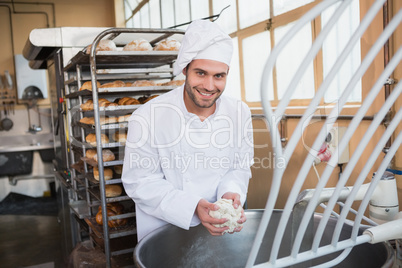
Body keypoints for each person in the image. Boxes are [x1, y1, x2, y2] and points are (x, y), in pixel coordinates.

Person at [121, 19, 254, 242]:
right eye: (201, 73)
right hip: (166, 230)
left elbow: (239, 167)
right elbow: (140, 181)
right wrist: (193, 207)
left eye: (219, 76)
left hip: (222, 229)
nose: (210, 86)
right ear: (185, 69)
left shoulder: (239, 112)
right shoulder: (148, 116)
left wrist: (231, 193)